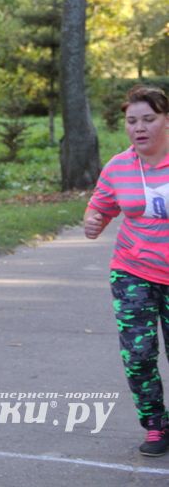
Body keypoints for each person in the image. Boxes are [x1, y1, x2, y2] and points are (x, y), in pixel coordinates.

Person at [84, 85, 169, 457]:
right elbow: (101, 205)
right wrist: (94, 220)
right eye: (132, 121)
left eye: (148, 119)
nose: (139, 127)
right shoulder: (119, 166)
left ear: (166, 120)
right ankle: (155, 425)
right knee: (138, 355)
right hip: (133, 272)